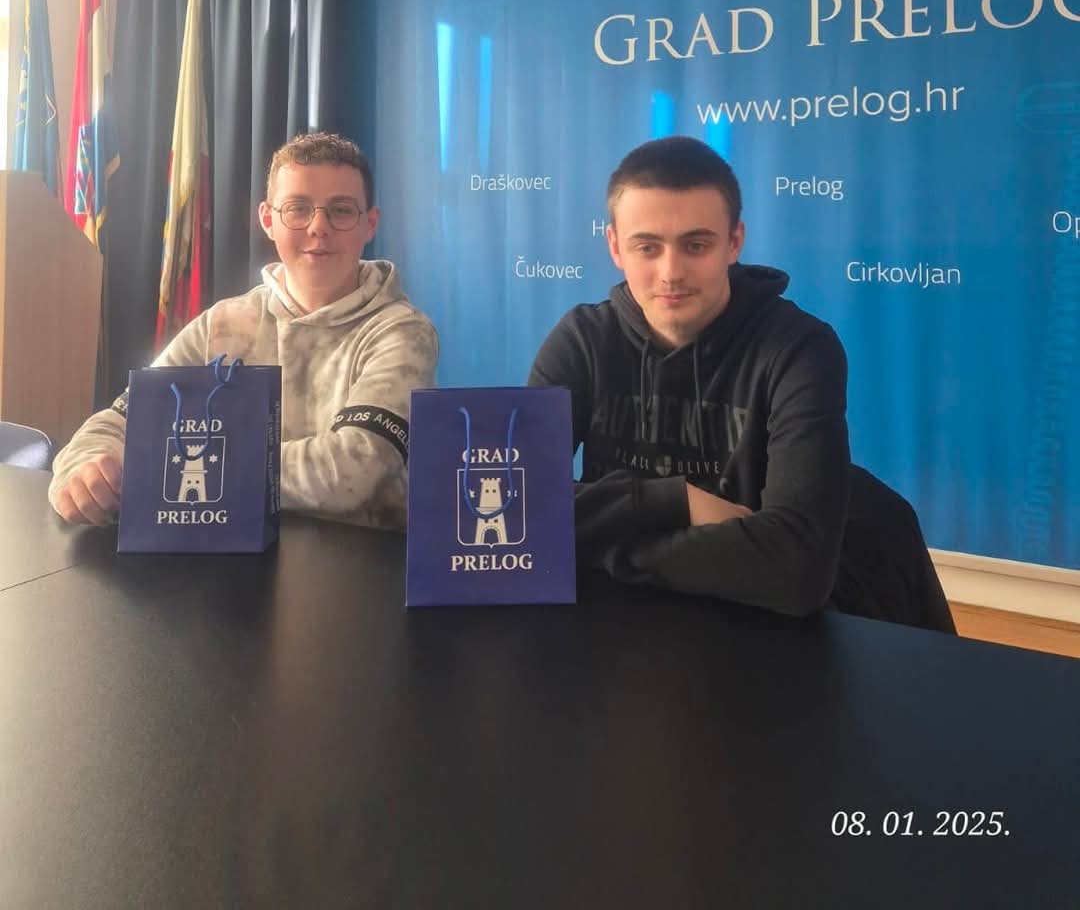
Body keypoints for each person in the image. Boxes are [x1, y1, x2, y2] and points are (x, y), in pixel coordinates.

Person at [528, 136, 953, 631]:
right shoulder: (582, 339)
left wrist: (595, 542)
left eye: (696, 245)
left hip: (760, 630)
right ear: (615, 247)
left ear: (734, 242)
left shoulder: (799, 348)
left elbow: (795, 571)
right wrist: (674, 500)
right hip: (620, 625)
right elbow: (519, 506)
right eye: (647, 247)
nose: (670, 272)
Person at [49, 131, 438, 530]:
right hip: (224, 557)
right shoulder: (223, 324)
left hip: (356, 559)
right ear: (268, 220)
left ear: (369, 224)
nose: (319, 227)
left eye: (341, 210)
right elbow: (125, 419)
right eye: (298, 208)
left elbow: (356, 469)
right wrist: (84, 469)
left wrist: (184, 465)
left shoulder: (402, 332)